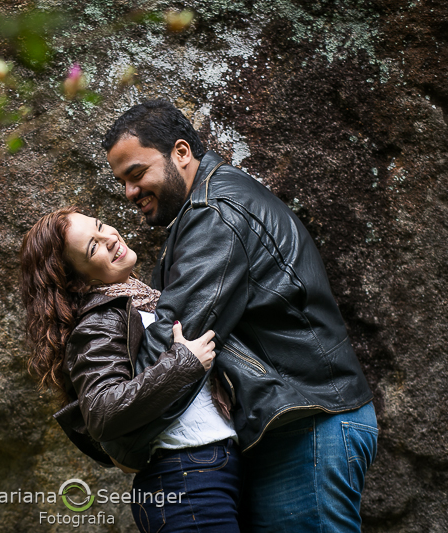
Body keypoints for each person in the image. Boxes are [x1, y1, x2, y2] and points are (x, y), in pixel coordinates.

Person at [101, 99, 378, 532]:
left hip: (309, 426)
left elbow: (177, 334)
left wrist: (116, 416)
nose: (129, 192)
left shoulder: (215, 215)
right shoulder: (205, 209)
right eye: (122, 181)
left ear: (181, 152)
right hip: (297, 424)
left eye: (136, 175)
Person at [20, 207, 242, 532]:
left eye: (100, 226)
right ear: (76, 279)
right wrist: (183, 364)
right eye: (92, 247)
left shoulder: (145, 300)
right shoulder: (98, 322)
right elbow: (103, 410)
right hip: (184, 477)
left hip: (214, 463)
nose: (110, 238)